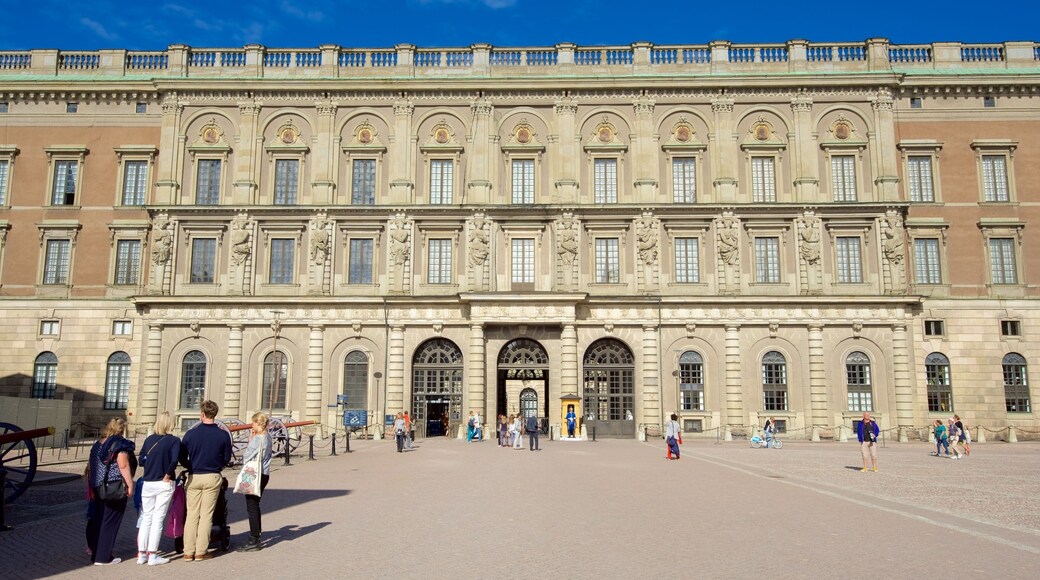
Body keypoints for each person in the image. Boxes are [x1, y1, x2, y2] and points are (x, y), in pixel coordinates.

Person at [179, 400, 232, 562]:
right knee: (206, 515)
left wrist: (190, 465)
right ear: (215, 414)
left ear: (202, 414)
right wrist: (218, 465)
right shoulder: (223, 435)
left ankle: (188, 551)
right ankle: (201, 551)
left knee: (192, 515)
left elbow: (182, 456)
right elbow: (227, 458)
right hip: (212, 476)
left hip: (194, 476)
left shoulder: (191, 434)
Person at [87, 417, 137, 565]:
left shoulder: (98, 444)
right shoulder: (119, 444)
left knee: (99, 519)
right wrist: (130, 485)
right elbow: (123, 465)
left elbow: (91, 465)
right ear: (122, 430)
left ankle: (96, 553)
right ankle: (103, 557)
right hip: (114, 487)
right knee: (110, 521)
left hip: (97, 485)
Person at [136, 412, 181, 566]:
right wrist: (167, 474)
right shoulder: (174, 440)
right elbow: (174, 460)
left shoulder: (149, 440)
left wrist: (151, 463)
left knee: (146, 517)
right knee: (158, 518)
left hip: (148, 481)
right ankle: (153, 554)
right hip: (163, 482)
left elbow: (141, 460)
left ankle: (142, 554)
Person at [238, 412, 273, 552]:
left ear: (259, 424)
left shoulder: (258, 439)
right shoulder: (268, 437)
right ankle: (256, 534)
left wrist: (250, 440)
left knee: (251, 506)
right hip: (264, 473)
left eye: (253, 422)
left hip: (255, 473)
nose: (251, 425)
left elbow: (246, 456)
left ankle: (254, 538)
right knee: (255, 504)